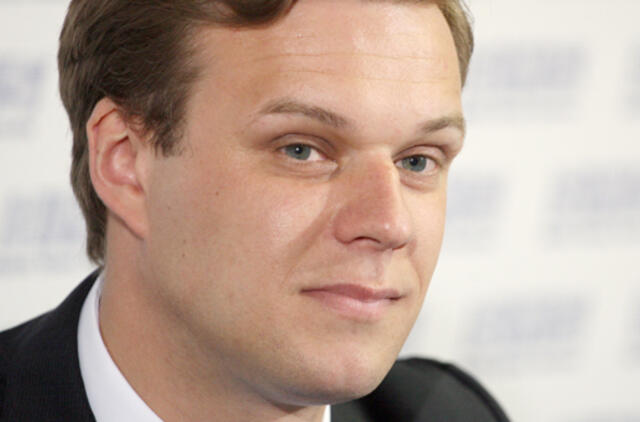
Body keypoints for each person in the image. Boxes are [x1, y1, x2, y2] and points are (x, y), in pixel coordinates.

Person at [0, 0, 510, 421]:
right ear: (126, 164)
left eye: (418, 160)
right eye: (301, 150)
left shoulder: (450, 412)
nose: (390, 224)